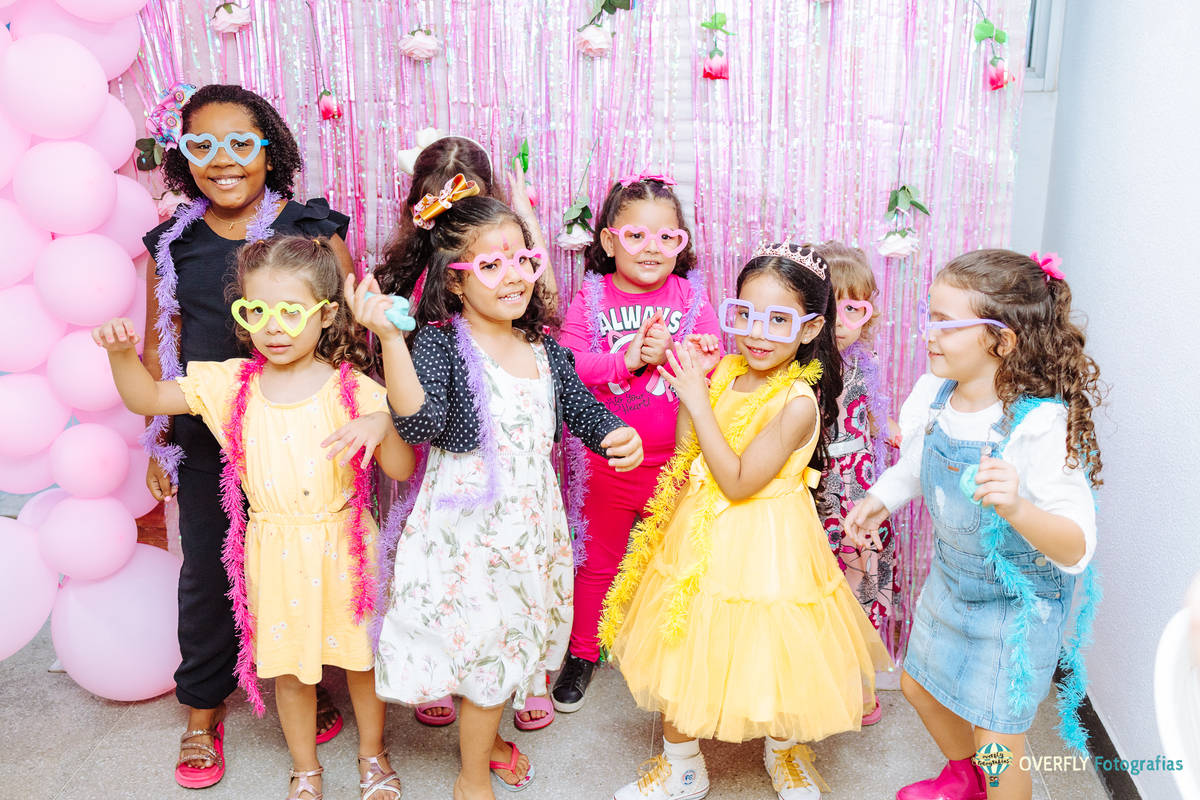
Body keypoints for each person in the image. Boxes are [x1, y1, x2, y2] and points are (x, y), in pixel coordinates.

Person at [97, 235, 414, 800]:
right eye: (256, 310)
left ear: (326, 316)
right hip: (275, 548)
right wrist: (122, 356)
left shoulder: (353, 389)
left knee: (360, 662)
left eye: (292, 312)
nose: (273, 326)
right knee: (289, 669)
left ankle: (373, 754)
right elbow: (147, 399)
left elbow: (398, 467)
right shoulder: (230, 383)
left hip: (344, 544)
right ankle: (306, 768)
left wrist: (380, 423)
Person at [350, 195, 643, 799]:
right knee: (479, 652)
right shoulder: (441, 345)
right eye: (491, 265)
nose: (513, 275)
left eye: (522, 260)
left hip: (528, 530)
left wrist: (616, 432)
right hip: (465, 534)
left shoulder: (544, 349)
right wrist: (391, 342)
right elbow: (420, 423)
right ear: (455, 284)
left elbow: (582, 409)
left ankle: (489, 742)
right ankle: (470, 776)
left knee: (506, 644)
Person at [602, 243, 891, 800]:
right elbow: (691, 452)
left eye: (778, 320)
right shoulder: (730, 371)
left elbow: (738, 480)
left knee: (777, 646)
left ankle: (784, 752)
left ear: (809, 330)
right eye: (746, 316)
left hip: (771, 540)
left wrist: (696, 397)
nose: (757, 334)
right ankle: (684, 765)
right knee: (682, 643)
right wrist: (696, 391)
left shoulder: (798, 402)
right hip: (702, 531)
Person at [141, 83, 361, 787]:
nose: (223, 160)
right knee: (208, 573)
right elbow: (162, 339)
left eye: (242, 143)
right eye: (202, 145)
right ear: (184, 156)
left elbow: (349, 332)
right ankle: (203, 711)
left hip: (303, 430)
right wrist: (158, 438)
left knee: (310, 564)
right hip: (209, 430)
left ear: (270, 149)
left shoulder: (309, 226)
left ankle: (306, 680)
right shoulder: (174, 239)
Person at [845, 249, 1103, 800]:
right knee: (918, 687)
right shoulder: (935, 397)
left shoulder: (1040, 426)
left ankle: (992, 777)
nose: (928, 333)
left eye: (945, 322)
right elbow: (918, 464)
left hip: (1016, 607)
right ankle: (966, 775)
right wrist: (882, 498)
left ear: (1001, 341)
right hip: (953, 583)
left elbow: (1076, 547)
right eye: (928, 316)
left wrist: (1018, 508)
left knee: (998, 740)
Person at [553, 172, 720, 712]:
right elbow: (569, 365)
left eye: (667, 238)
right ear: (608, 240)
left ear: (682, 243)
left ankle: (665, 656)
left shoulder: (692, 296)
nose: (652, 249)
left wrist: (689, 355)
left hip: (676, 464)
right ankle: (582, 652)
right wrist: (629, 359)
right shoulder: (593, 294)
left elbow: (716, 368)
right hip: (607, 462)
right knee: (598, 562)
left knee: (674, 561)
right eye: (636, 236)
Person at [813, 240, 900, 710]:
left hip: (861, 486)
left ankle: (859, 679)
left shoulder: (864, 363)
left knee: (862, 581)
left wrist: (886, 425)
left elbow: (868, 410)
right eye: (829, 309)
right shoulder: (804, 366)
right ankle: (822, 681)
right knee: (821, 580)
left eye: (854, 310)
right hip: (820, 489)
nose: (840, 324)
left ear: (868, 313)